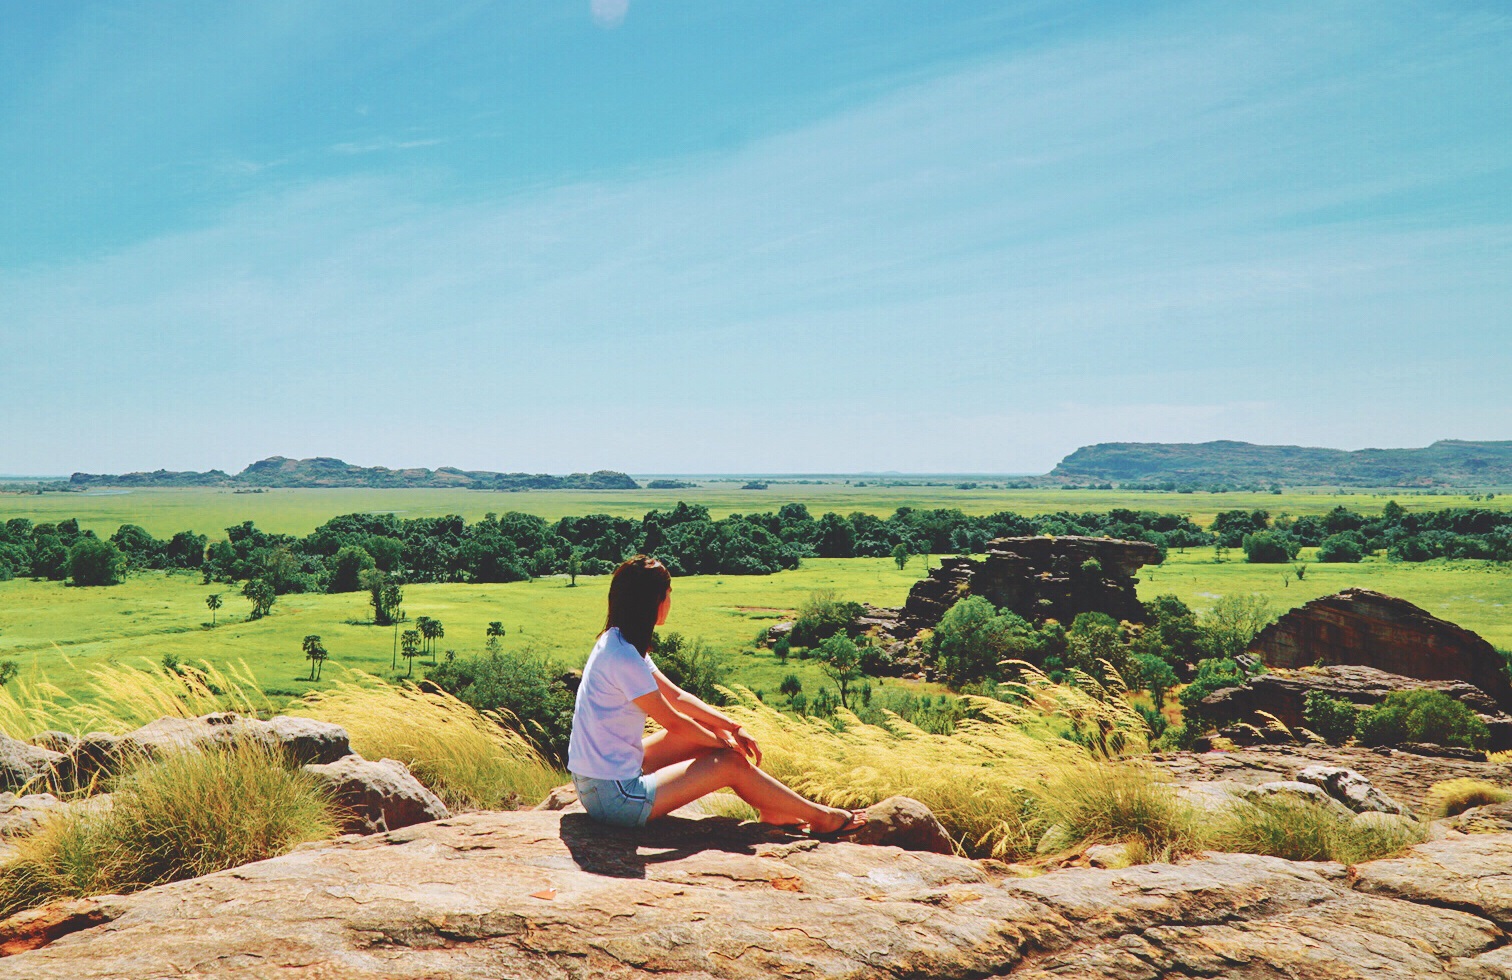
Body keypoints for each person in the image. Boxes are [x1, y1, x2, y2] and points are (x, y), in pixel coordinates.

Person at [567, 554, 866, 836]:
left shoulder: (618, 641)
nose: (671, 600)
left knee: (713, 729)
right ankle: (821, 818)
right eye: (669, 593)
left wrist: (731, 728)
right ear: (653, 602)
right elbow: (674, 722)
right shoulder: (624, 658)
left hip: (599, 781)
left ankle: (775, 811)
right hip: (615, 798)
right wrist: (723, 746)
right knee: (731, 764)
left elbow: (678, 697)